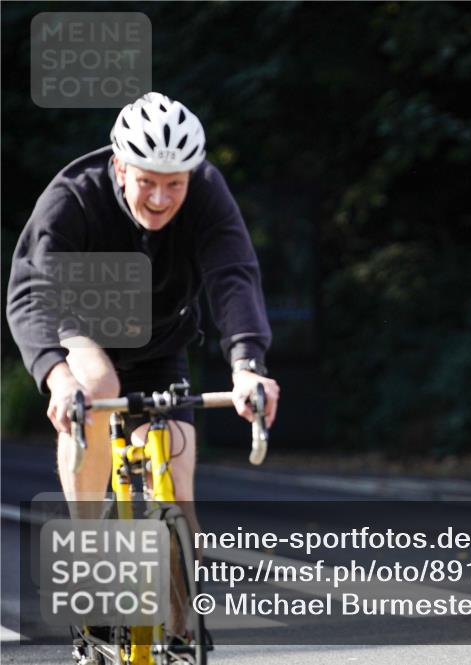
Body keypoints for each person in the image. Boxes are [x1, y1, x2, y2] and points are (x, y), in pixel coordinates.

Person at [5, 92, 280, 653]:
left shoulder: (205, 192)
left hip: (161, 346)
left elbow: (233, 275)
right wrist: (57, 378)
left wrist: (248, 365)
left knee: (177, 483)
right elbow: (32, 293)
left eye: (174, 184)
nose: (160, 197)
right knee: (99, 387)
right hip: (82, 333)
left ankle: (180, 632)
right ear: (119, 165)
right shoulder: (73, 197)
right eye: (147, 181)